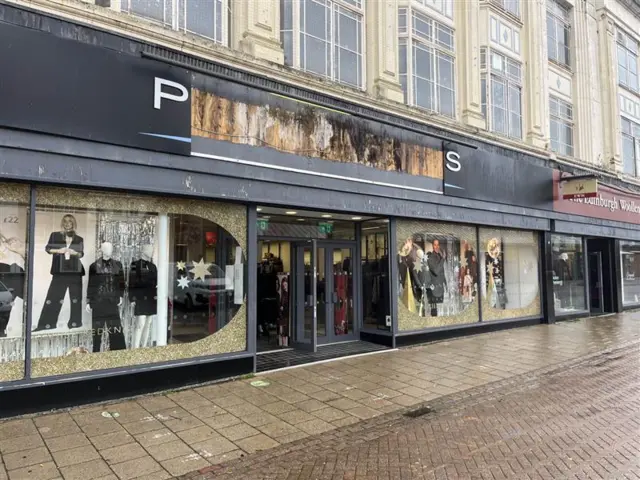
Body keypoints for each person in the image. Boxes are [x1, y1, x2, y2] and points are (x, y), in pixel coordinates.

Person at [34, 214, 85, 331]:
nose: (67, 223)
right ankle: (46, 325)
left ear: (73, 223)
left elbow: (81, 254)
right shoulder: (55, 235)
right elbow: (48, 249)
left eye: (70, 221)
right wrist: (59, 250)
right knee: (53, 297)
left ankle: (75, 324)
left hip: (75, 271)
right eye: (65, 221)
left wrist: (74, 253)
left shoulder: (79, 239)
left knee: (76, 299)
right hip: (59, 272)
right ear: (63, 223)